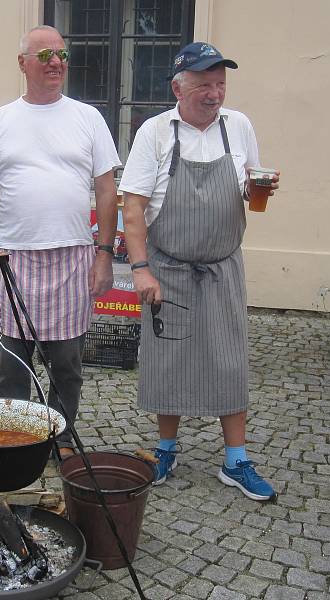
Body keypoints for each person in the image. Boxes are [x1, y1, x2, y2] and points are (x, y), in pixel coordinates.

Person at [119, 42, 280, 499]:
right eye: (204, 84)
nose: (214, 94)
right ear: (178, 87)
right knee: (168, 361)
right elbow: (132, 208)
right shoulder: (154, 132)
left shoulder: (239, 126)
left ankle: (236, 460)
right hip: (168, 267)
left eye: (220, 84)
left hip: (223, 266)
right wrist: (141, 270)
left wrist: (255, 189)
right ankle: (165, 450)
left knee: (230, 361)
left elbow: (250, 190)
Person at [0, 26, 121, 455]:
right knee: (13, 364)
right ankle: (17, 439)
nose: (56, 62)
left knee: (67, 365)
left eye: (62, 54)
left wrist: (104, 254)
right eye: (44, 55)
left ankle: (60, 437)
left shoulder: (87, 117)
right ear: (23, 64)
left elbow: (107, 189)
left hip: (73, 254)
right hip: (14, 258)